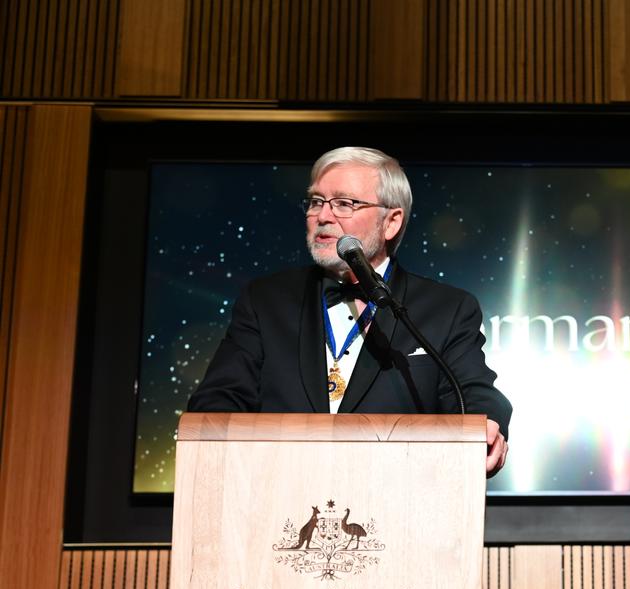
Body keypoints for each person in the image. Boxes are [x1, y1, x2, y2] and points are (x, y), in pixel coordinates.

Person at [189, 147, 511, 476]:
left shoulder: (446, 309)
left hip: (395, 498)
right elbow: (217, 400)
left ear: (391, 222)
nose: (323, 217)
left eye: (345, 203)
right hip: (277, 495)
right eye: (316, 202)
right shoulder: (266, 300)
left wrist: (486, 422)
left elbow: (473, 392)